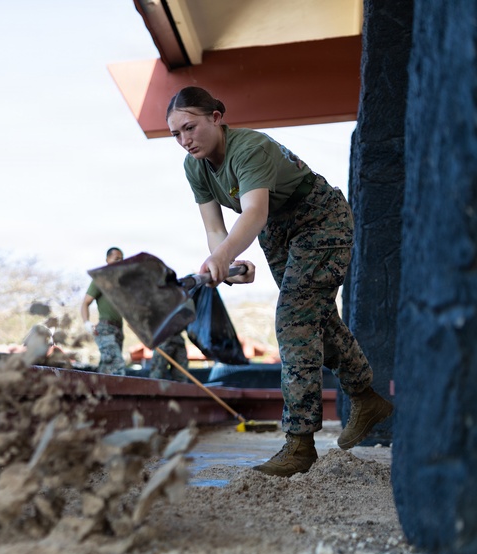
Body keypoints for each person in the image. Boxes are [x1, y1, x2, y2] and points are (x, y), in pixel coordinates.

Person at [166, 86, 394, 477]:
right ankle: (366, 397)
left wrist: (221, 257)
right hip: (277, 230)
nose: (185, 140)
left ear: (216, 118)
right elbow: (214, 227)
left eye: (190, 127)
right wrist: (230, 261)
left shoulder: (249, 148)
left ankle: (299, 444)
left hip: (319, 218)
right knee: (313, 320)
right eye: (176, 134)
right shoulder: (195, 167)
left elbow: (253, 212)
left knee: (293, 321)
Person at [80, 247, 127, 376]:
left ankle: (96, 392)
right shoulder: (100, 279)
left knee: (106, 367)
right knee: (117, 365)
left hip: (119, 330)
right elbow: (85, 303)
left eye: (122, 259)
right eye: (116, 259)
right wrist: (87, 323)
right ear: (107, 259)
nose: (120, 262)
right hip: (106, 329)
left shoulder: (121, 285)